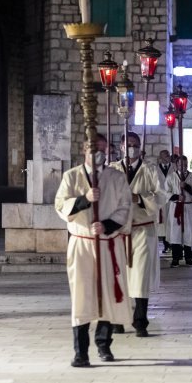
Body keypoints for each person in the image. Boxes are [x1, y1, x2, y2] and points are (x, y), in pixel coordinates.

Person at [54, 133, 132, 367]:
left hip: (107, 243)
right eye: (93, 148)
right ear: (83, 149)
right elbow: (60, 205)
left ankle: (104, 344)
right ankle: (81, 352)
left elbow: (125, 207)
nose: (97, 152)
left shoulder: (117, 178)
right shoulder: (71, 176)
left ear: (107, 151)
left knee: (107, 294)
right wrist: (84, 199)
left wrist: (107, 225)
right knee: (82, 296)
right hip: (82, 244)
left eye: (102, 148)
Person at [111, 132, 166, 337]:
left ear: (140, 146)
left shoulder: (150, 170)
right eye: (128, 144)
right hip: (120, 230)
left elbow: (161, 195)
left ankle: (140, 320)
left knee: (140, 275)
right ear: (122, 146)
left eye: (135, 144)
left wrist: (139, 198)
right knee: (119, 275)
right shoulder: (113, 169)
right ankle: (118, 318)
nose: (132, 148)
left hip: (142, 228)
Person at [166, 155, 192, 267]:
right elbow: (166, 192)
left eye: (185, 164)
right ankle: (176, 258)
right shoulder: (171, 177)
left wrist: (186, 186)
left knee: (188, 232)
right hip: (176, 207)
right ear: (176, 165)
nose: (183, 166)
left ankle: (188, 257)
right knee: (175, 232)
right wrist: (176, 197)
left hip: (187, 208)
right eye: (181, 164)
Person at [156, 150, 173, 253]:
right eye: (164, 156)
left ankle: (174, 244)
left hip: (172, 198)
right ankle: (166, 245)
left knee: (172, 222)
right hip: (161, 199)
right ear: (160, 158)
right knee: (163, 224)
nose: (166, 157)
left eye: (167, 155)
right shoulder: (155, 169)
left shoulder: (174, 167)